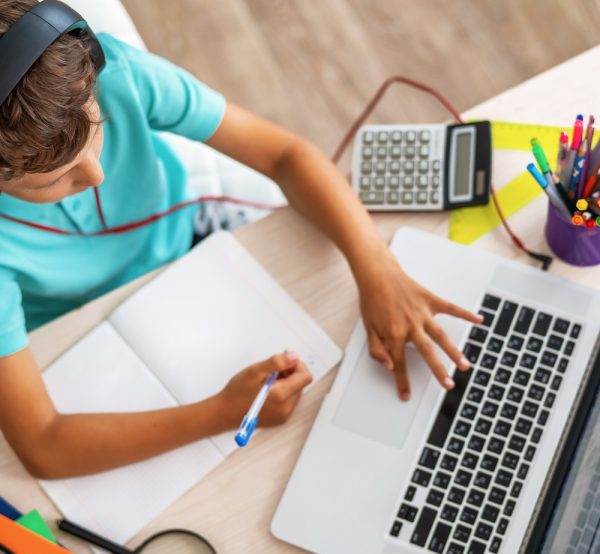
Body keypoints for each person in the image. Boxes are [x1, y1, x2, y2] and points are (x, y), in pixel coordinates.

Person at [0, 0, 482, 479]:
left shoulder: (118, 75)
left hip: (191, 247)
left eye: (97, 132)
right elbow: (44, 445)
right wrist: (224, 413)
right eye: (52, 180)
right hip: (74, 331)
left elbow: (285, 154)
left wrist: (377, 267)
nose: (99, 175)